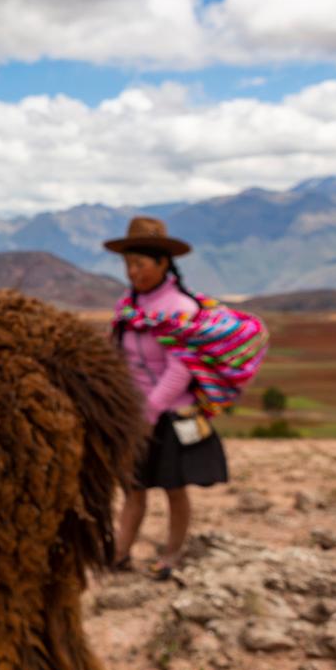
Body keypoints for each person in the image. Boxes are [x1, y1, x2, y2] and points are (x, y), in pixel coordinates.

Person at [106, 216, 228, 581]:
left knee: (174, 489)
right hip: (136, 415)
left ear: (163, 263)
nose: (132, 271)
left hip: (172, 416)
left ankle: (172, 555)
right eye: (128, 264)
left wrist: (151, 411)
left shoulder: (180, 309)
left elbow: (181, 368)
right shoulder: (128, 308)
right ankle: (119, 553)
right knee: (133, 489)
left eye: (140, 264)